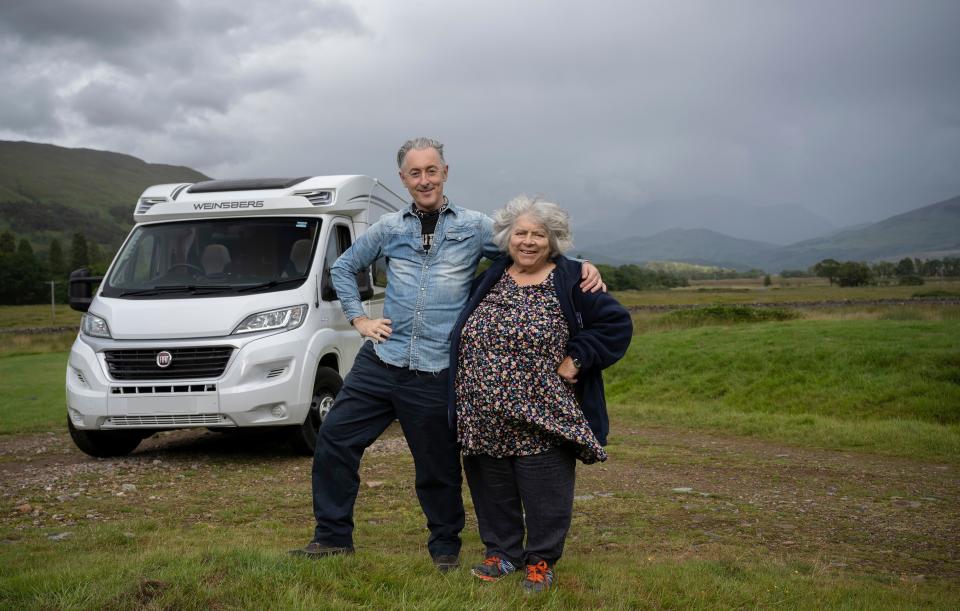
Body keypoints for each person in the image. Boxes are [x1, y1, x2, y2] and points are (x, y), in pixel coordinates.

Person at [289, 138, 605, 571]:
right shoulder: (388, 228)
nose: (424, 180)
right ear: (403, 179)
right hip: (382, 359)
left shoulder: (475, 226)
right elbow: (343, 266)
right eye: (415, 173)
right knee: (334, 441)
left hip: (436, 370)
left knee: (435, 467)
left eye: (431, 171)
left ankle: (444, 548)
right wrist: (359, 319)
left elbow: (527, 249)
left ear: (445, 172)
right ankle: (332, 537)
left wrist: (582, 264)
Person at [449, 195, 633, 592]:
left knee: (545, 490)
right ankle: (501, 553)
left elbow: (616, 325)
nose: (528, 241)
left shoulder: (572, 278)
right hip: (483, 413)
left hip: (543, 412)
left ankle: (541, 561)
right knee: (492, 488)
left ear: (554, 241)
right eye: (520, 233)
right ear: (507, 237)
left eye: (538, 234)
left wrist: (578, 357)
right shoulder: (491, 276)